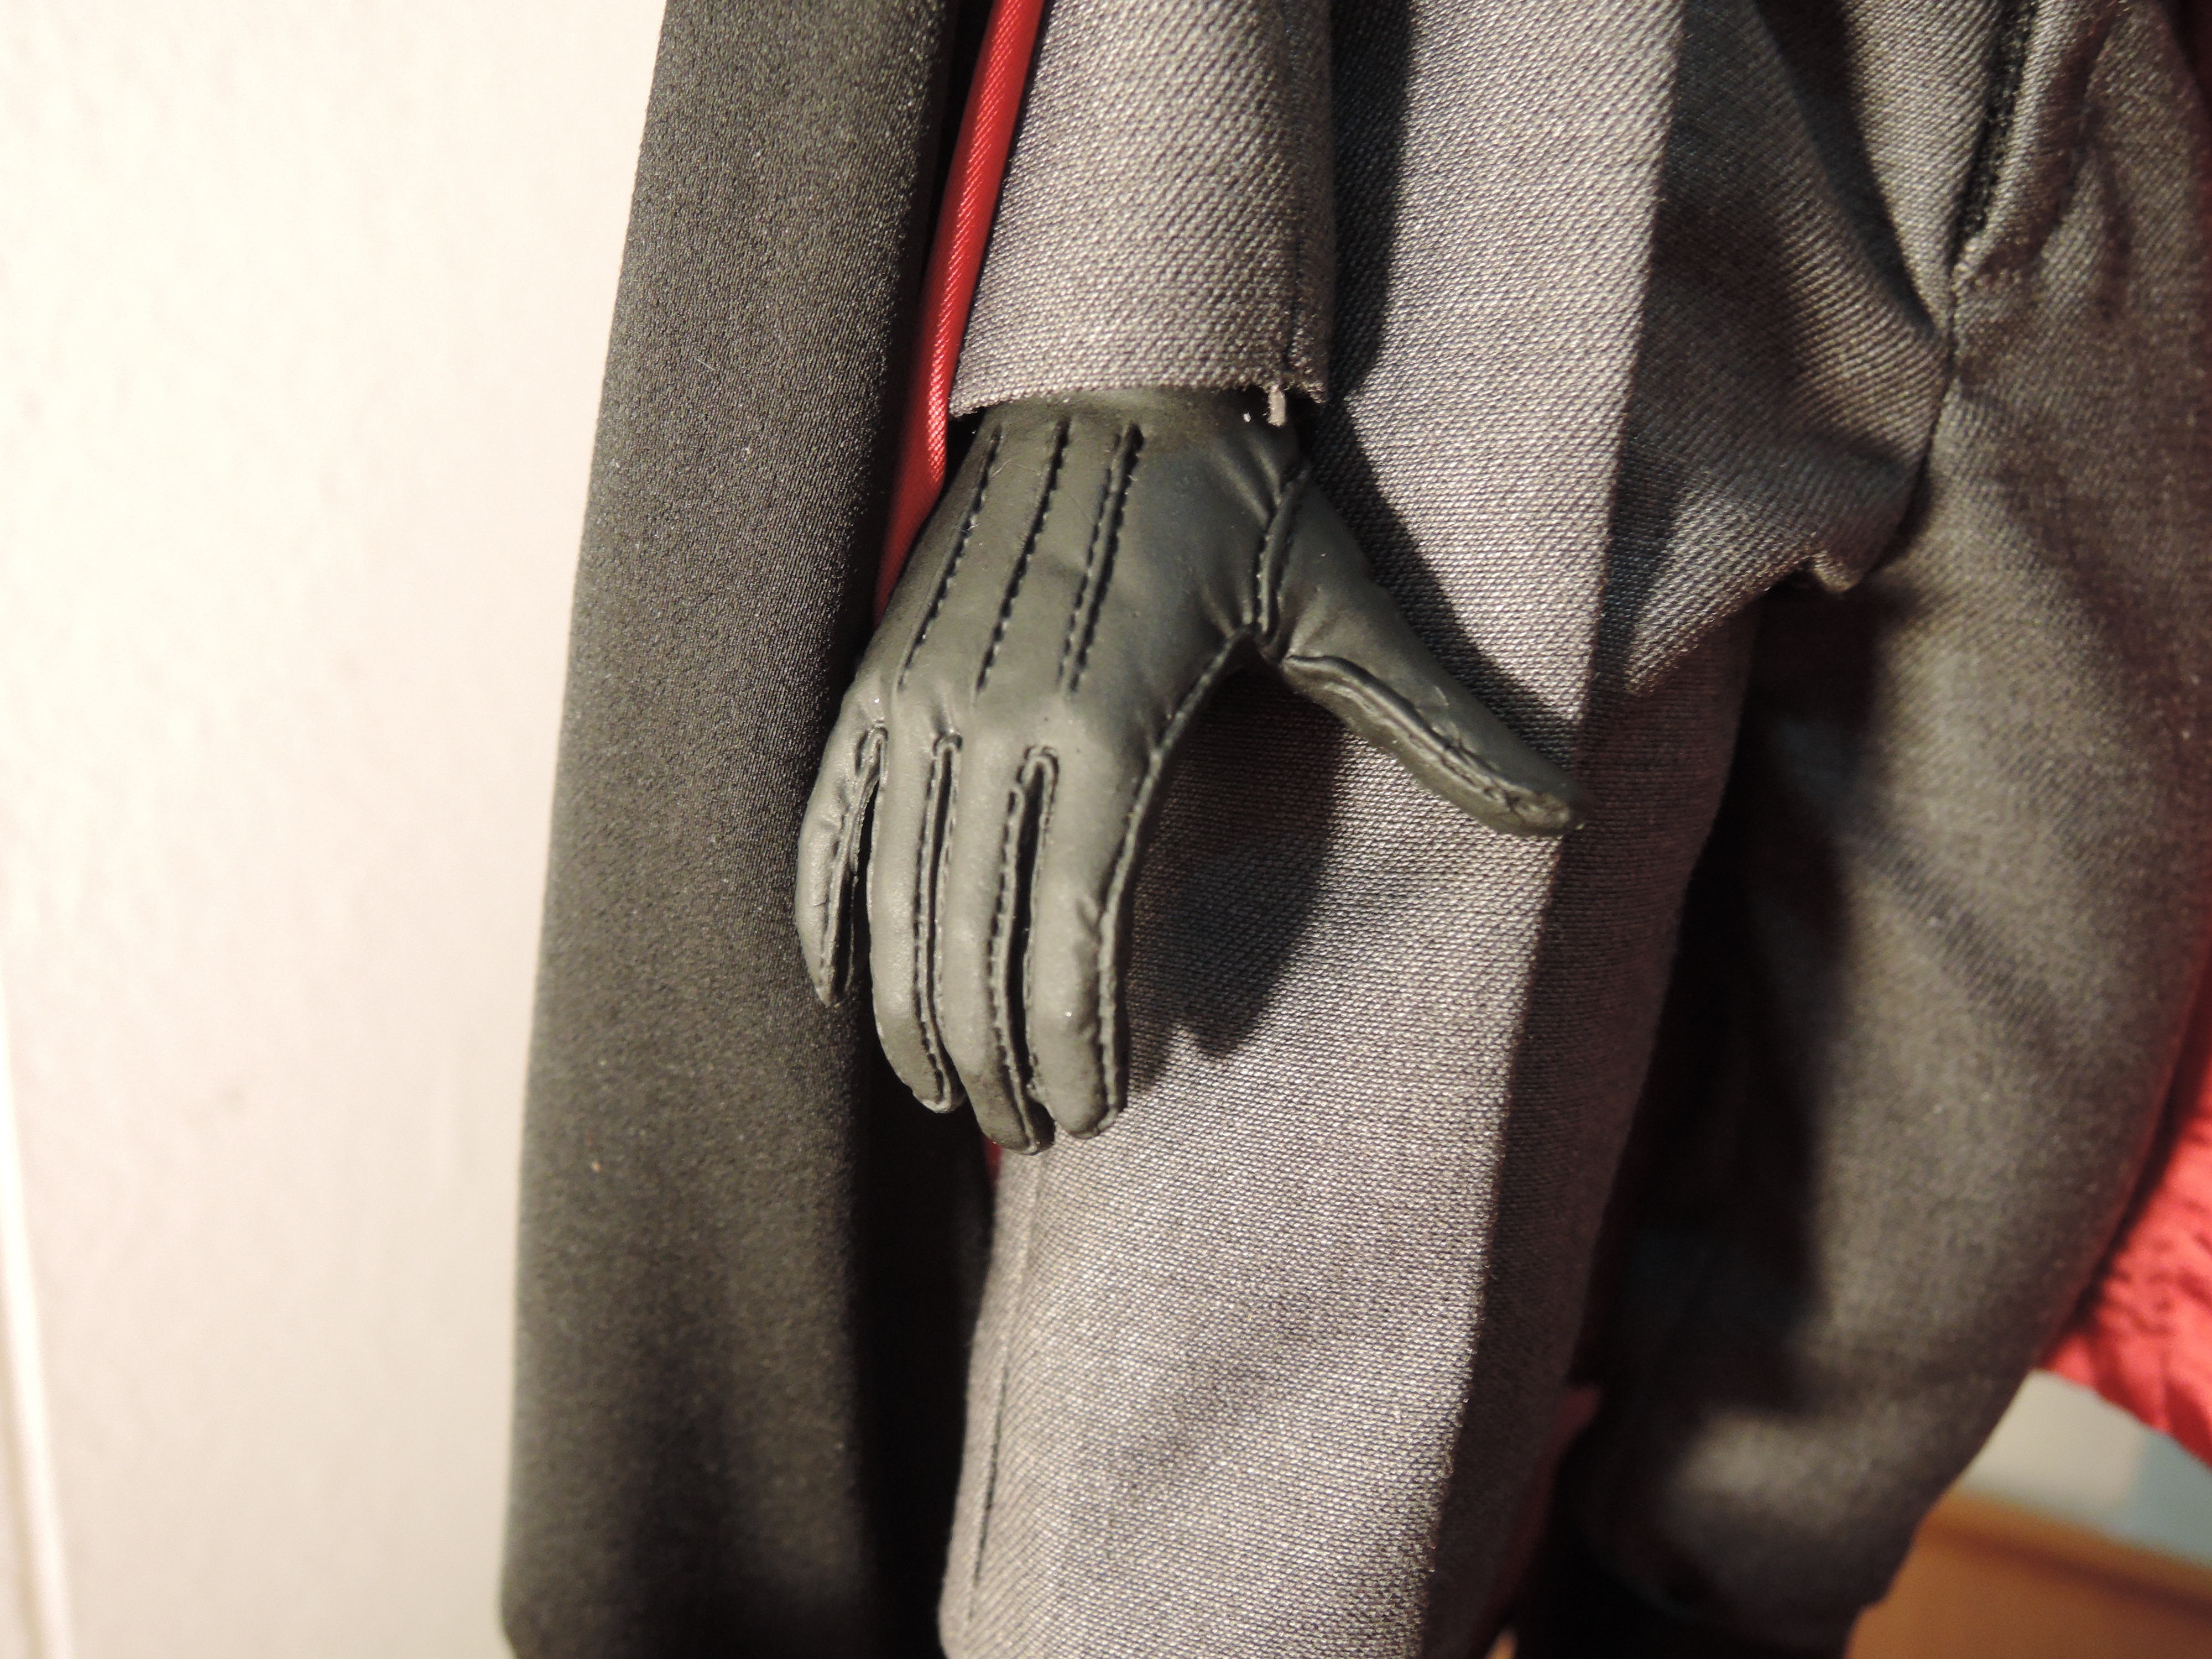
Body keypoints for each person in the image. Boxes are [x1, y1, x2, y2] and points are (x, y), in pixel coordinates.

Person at [505, 4, 2212, 1655]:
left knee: (1995, 1114)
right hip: (1490, 126)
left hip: (2111, 112)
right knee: (1244, 1507)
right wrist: (1151, 301)